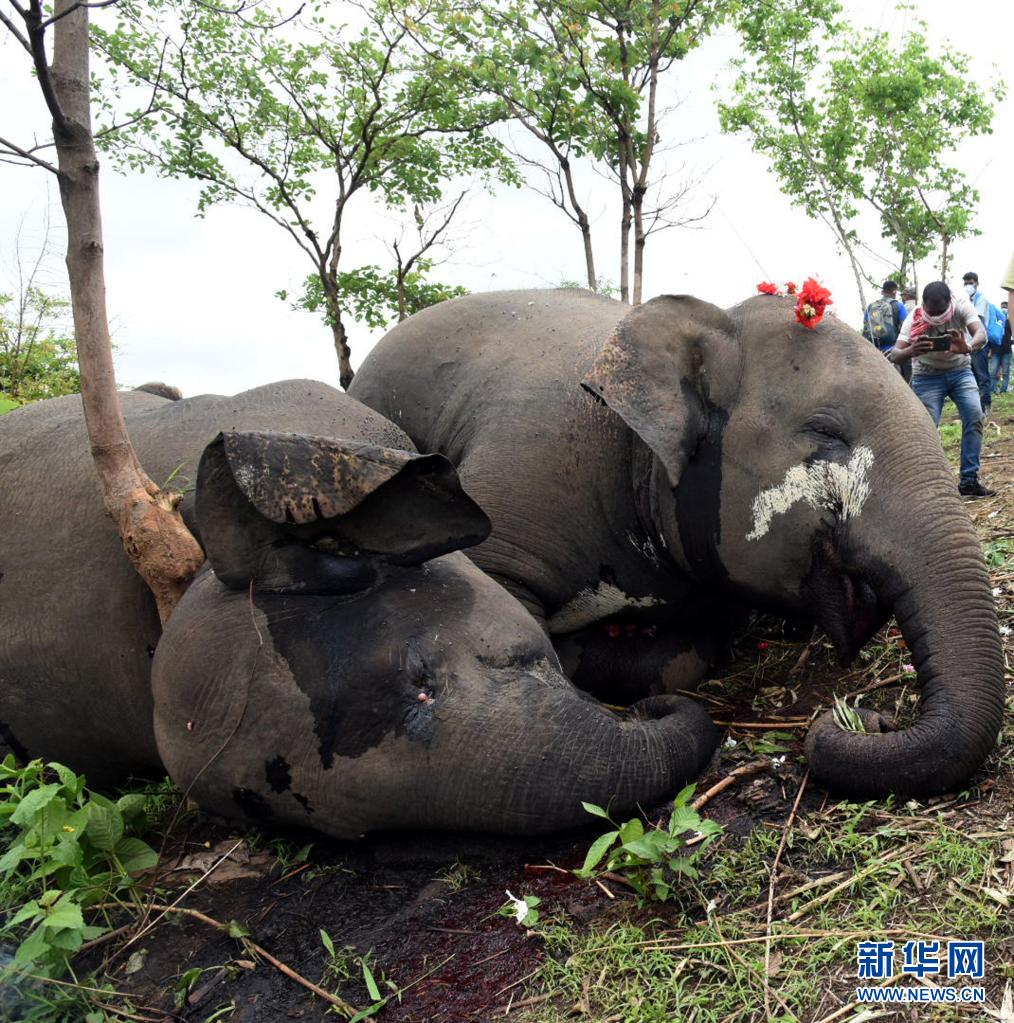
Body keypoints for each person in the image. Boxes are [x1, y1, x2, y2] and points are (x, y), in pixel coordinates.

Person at [890, 281, 994, 497]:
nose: (936, 316)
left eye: (940, 311)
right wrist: (911, 350)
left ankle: (969, 481)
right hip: (926, 375)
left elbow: (980, 333)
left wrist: (967, 347)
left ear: (950, 302)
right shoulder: (914, 316)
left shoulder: (962, 305)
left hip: (960, 371)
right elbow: (895, 354)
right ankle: (927, 484)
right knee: (926, 427)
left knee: (975, 415)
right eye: (931, 312)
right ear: (923, 305)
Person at [863, 279, 909, 381]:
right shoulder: (898, 306)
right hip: (892, 352)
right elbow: (906, 328)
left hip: (874, 352)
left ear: (883, 291)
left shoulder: (870, 307)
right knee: (896, 382)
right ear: (894, 292)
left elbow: (866, 327)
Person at [962, 271, 992, 415]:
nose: (968, 285)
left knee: (982, 377)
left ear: (977, 283)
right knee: (971, 378)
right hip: (967, 344)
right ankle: (975, 408)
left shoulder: (981, 299)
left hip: (979, 345)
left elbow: (975, 318)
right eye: (966, 283)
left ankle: (985, 406)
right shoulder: (964, 299)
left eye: (970, 283)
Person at [991, 301, 1012, 394]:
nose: (1004, 309)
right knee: (992, 372)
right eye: (1002, 307)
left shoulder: (1010, 323)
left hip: (1007, 351)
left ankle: (1004, 391)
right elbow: (990, 336)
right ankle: (992, 390)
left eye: (1005, 307)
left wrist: (1009, 343)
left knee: (1006, 372)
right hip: (995, 351)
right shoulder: (995, 322)